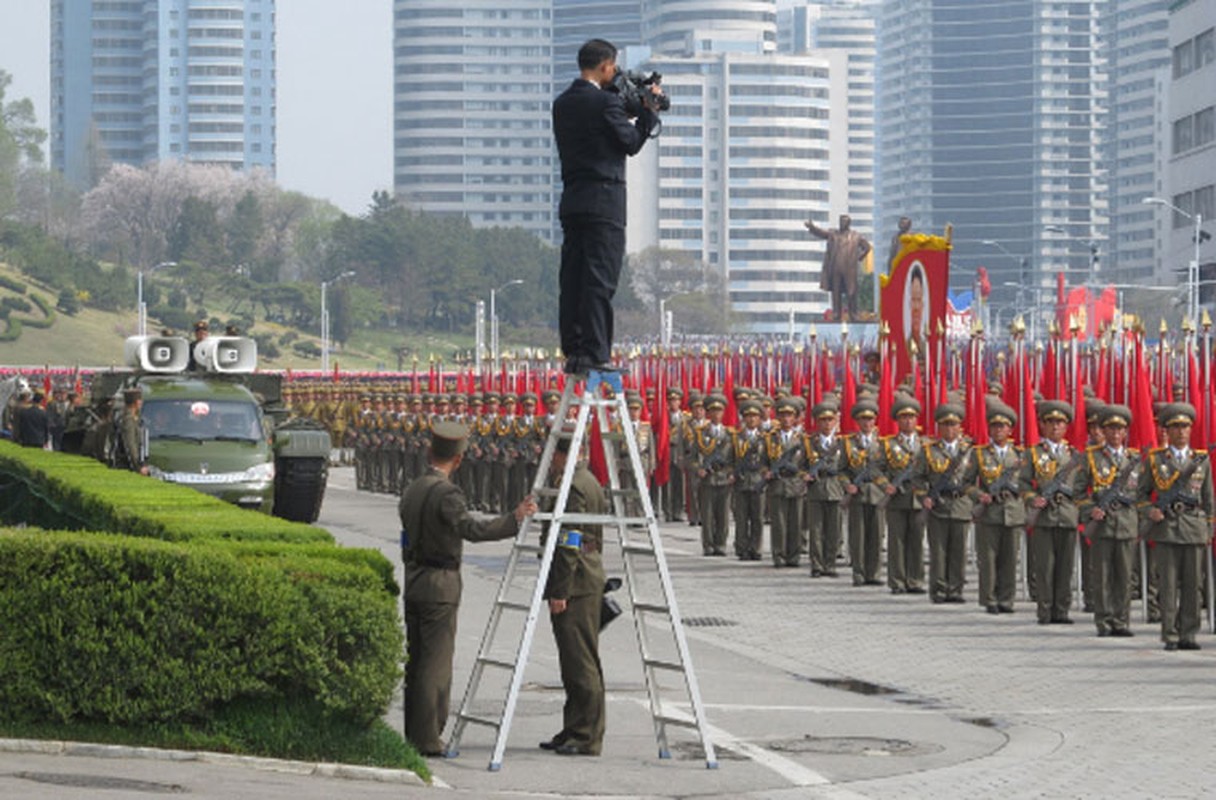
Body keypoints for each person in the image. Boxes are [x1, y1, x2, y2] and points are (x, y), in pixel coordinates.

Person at [398, 420, 537, 757]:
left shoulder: (413, 488)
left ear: (430, 452)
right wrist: (514, 519)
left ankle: (414, 734)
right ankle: (429, 739)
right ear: (458, 460)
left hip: (414, 578)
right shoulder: (447, 493)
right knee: (435, 664)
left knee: (416, 662)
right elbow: (472, 529)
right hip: (439, 585)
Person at [553, 39, 660, 375]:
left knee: (573, 277)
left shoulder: (562, 103)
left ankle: (575, 349)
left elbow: (598, 124)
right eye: (613, 68)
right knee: (600, 278)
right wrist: (648, 112)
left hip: (573, 199)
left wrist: (625, 106)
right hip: (604, 201)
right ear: (604, 66)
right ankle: (597, 353)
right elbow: (629, 142)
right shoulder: (603, 103)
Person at [540, 437, 607, 756]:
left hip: (576, 580)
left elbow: (570, 541)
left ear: (565, 454)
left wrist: (560, 590)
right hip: (586, 572)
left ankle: (587, 735)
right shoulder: (587, 479)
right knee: (573, 661)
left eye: (554, 454)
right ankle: (574, 727)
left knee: (580, 661)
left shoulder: (575, 485)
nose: (551, 460)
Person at [1141, 403, 1212, 651]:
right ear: (1167, 431)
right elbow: (1140, 494)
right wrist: (1149, 511)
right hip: (1167, 530)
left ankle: (1189, 633)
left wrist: (1209, 529)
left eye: (1185, 427)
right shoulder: (1156, 460)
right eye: (1176, 427)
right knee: (1168, 585)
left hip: (1193, 529)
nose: (1181, 432)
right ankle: (1170, 634)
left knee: (1194, 586)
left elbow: (1209, 498)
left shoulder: (1201, 460)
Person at [1080, 404, 1140, 638]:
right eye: (1111, 430)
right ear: (1103, 431)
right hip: (1102, 526)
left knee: (1125, 577)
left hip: (1126, 523)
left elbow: (1143, 492)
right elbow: (1078, 492)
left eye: (1120, 430)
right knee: (1102, 576)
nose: (1115, 434)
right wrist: (1090, 510)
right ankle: (1104, 622)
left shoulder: (1134, 459)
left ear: (1125, 433)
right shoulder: (1092, 457)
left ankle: (1121, 621)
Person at [1024, 400, 1086, 624]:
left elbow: (1083, 485)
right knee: (1044, 567)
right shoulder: (1034, 453)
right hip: (1044, 517)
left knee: (1065, 567)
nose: (1055, 427)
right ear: (1042, 425)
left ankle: (1062, 610)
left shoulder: (1076, 455)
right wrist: (1032, 498)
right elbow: (1022, 483)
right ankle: (1045, 610)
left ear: (1066, 426)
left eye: (1059, 423)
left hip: (1068, 514)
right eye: (1050, 423)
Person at [971, 403, 1025, 614]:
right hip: (990, 513)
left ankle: (1007, 599)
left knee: (1010, 559)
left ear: (1010, 430)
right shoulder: (980, 454)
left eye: (1003, 426)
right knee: (988, 559)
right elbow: (967, 483)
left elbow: (1029, 482)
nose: (999, 430)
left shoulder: (1021, 456)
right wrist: (979, 495)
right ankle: (989, 599)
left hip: (1012, 511)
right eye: (995, 426)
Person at [920, 403, 975, 604]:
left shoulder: (969, 451)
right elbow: (918, 477)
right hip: (938, 505)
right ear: (939, 428)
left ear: (960, 427)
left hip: (961, 504)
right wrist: (924, 496)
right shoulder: (928, 451)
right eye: (945, 425)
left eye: (953, 425)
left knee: (959, 551)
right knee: (939, 551)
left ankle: (955, 589)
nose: (950, 429)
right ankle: (938, 590)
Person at [874, 397, 927, 594]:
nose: (908, 421)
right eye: (904, 417)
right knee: (897, 542)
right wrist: (886, 485)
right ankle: (897, 581)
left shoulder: (926, 445)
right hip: (896, 500)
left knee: (916, 542)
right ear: (897, 420)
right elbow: (875, 470)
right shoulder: (887, 445)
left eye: (911, 417)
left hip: (918, 499)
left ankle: (915, 580)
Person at [843, 398, 884, 586]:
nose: (867, 423)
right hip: (857, 493)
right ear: (857, 422)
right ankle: (858, 573)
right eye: (863, 420)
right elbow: (841, 470)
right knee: (857, 536)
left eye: (870, 419)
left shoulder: (883, 444)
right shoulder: (849, 443)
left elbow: (888, 470)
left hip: (877, 493)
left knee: (876, 536)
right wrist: (847, 484)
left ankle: (874, 573)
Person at [804, 214, 872, 322]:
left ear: (848, 223)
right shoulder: (834, 234)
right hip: (835, 268)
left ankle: (853, 314)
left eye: (844, 222)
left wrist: (859, 258)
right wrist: (812, 227)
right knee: (836, 292)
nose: (842, 223)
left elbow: (867, 247)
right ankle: (836, 314)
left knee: (851, 292)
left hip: (850, 269)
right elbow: (822, 233)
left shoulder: (856, 236)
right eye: (841, 221)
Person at [806, 402, 846, 578]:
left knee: (833, 531)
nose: (827, 424)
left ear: (836, 421)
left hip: (836, 490)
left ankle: (830, 564)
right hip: (816, 490)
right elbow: (801, 466)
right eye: (823, 420)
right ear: (817, 422)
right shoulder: (809, 443)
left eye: (830, 420)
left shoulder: (843, 444)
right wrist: (804, 475)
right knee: (816, 531)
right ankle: (816, 565)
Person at [116, 389, 149, 474]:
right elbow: (130, 444)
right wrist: (138, 466)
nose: (141, 402)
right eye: (140, 400)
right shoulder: (128, 420)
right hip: (126, 466)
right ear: (136, 402)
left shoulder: (134, 418)